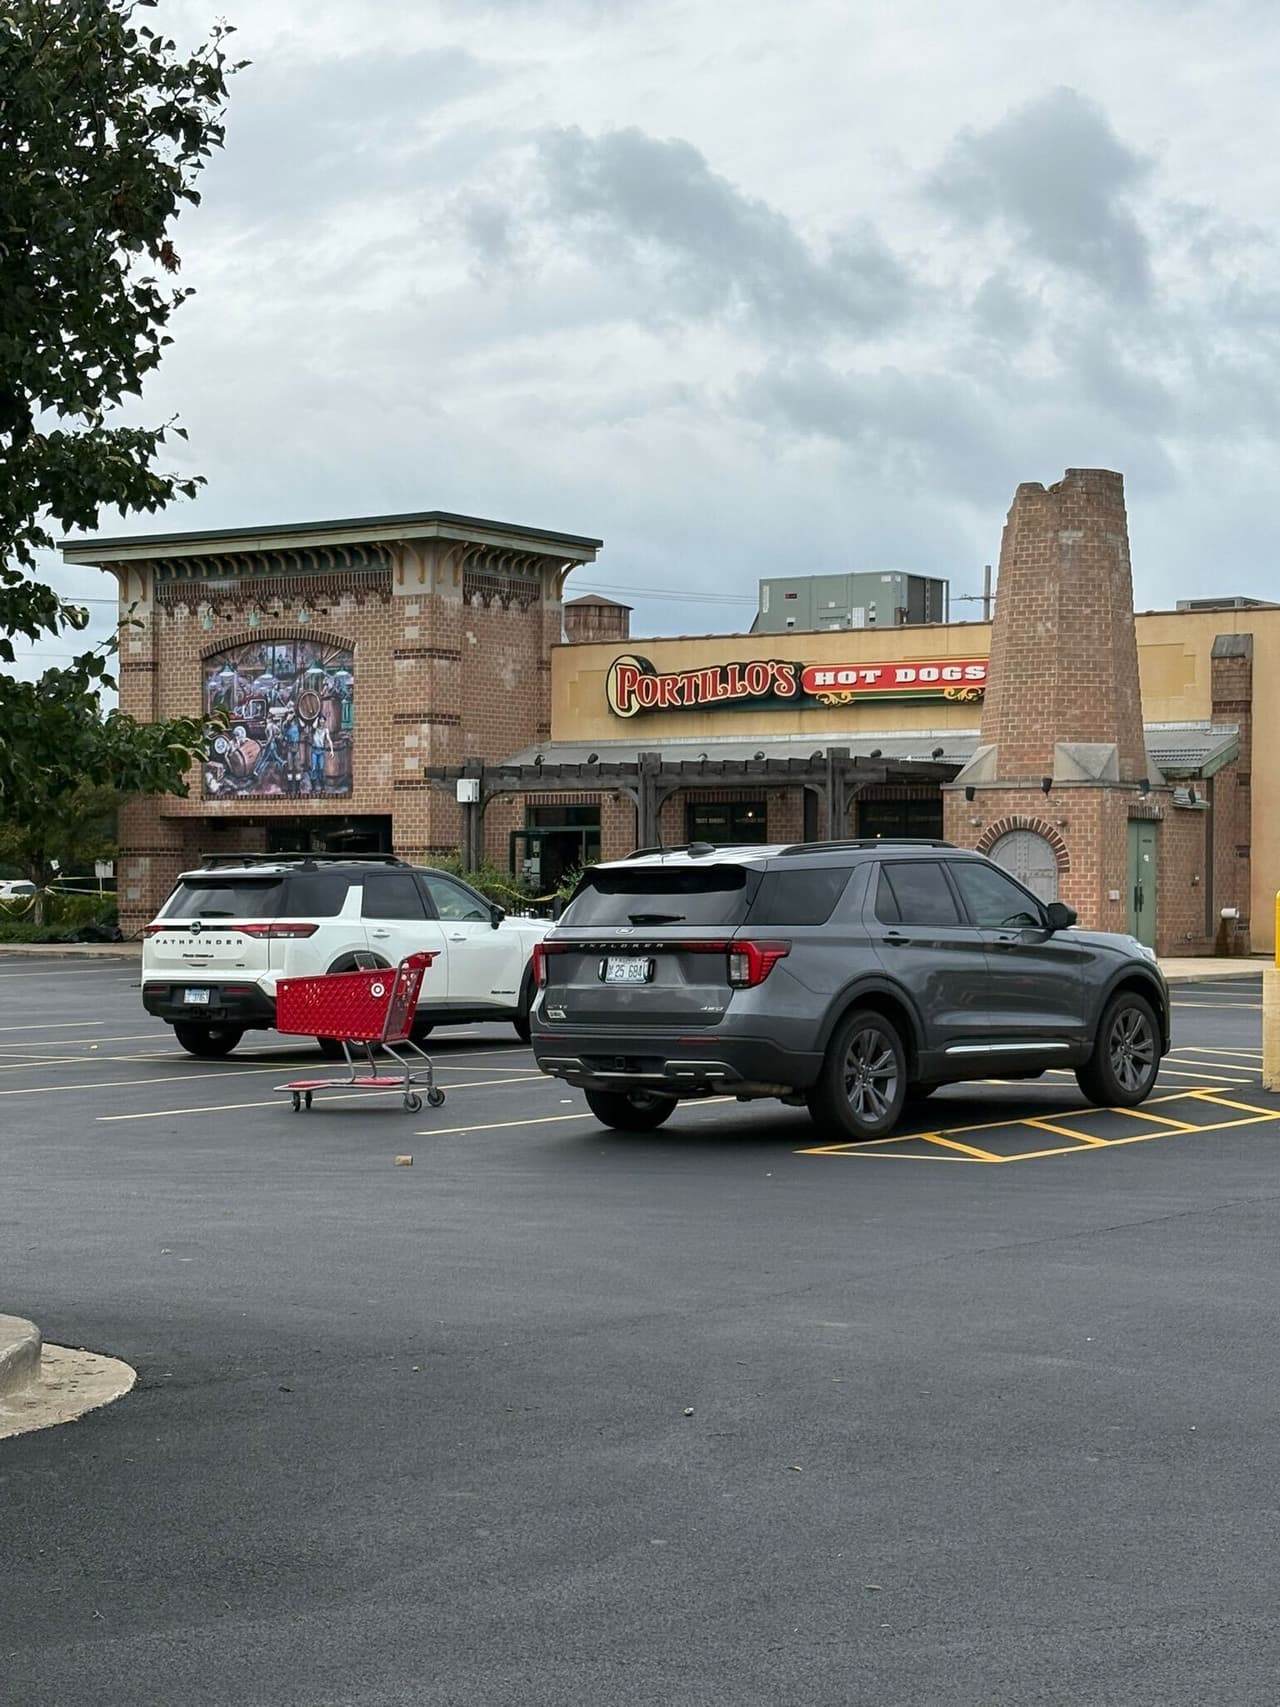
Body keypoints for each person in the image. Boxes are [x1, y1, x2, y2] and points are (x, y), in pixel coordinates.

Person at [309, 721, 333, 793]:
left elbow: (329, 740)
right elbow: (313, 726)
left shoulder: (326, 730)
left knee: (321, 768)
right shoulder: (314, 729)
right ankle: (313, 788)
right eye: (320, 721)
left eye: (323, 721)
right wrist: (317, 717)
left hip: (321, 751)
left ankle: (322, 788)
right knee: (313, 769)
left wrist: (332, 750)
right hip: (314, 750)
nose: (322, 723)